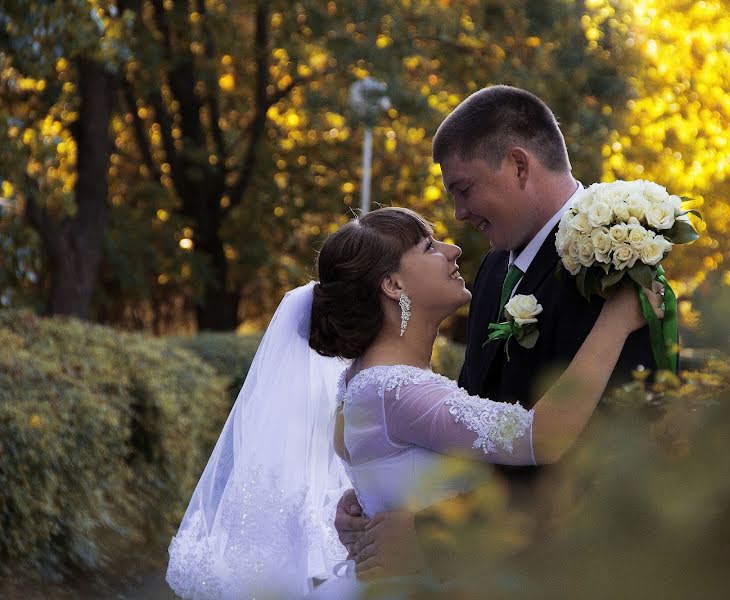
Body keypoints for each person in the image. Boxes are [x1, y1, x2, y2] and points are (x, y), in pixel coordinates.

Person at [165, 206, 663, 599]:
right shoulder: (395, 391)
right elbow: (542, 436)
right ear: (393, 284)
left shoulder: (367, 383)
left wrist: (365, 507)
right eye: (428, 246)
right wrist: (616, 321)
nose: (451, 250)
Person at [335, 85, 659, 577]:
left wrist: (430, 535)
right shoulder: (489, 275)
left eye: (464, 189)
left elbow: (603, 461)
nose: (460, 216)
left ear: (519, 165)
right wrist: (379, 492)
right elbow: (470, 434)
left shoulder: (611, 269)